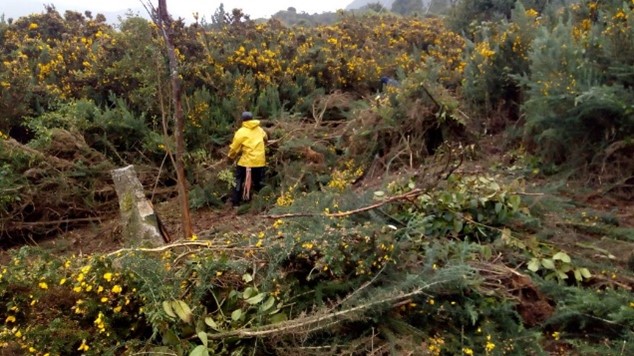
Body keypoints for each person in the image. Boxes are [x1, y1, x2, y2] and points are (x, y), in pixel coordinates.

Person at [227, 111, 267, 206]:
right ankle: (261, 202)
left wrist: (230, 157)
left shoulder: (241, 132)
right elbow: (266, 138)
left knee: (238, 180)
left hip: (247, 162)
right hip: (260, 161)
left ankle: (236, 202)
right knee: (258, 182)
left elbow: (234, 148)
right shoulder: (259, 129)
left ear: (243, 120)